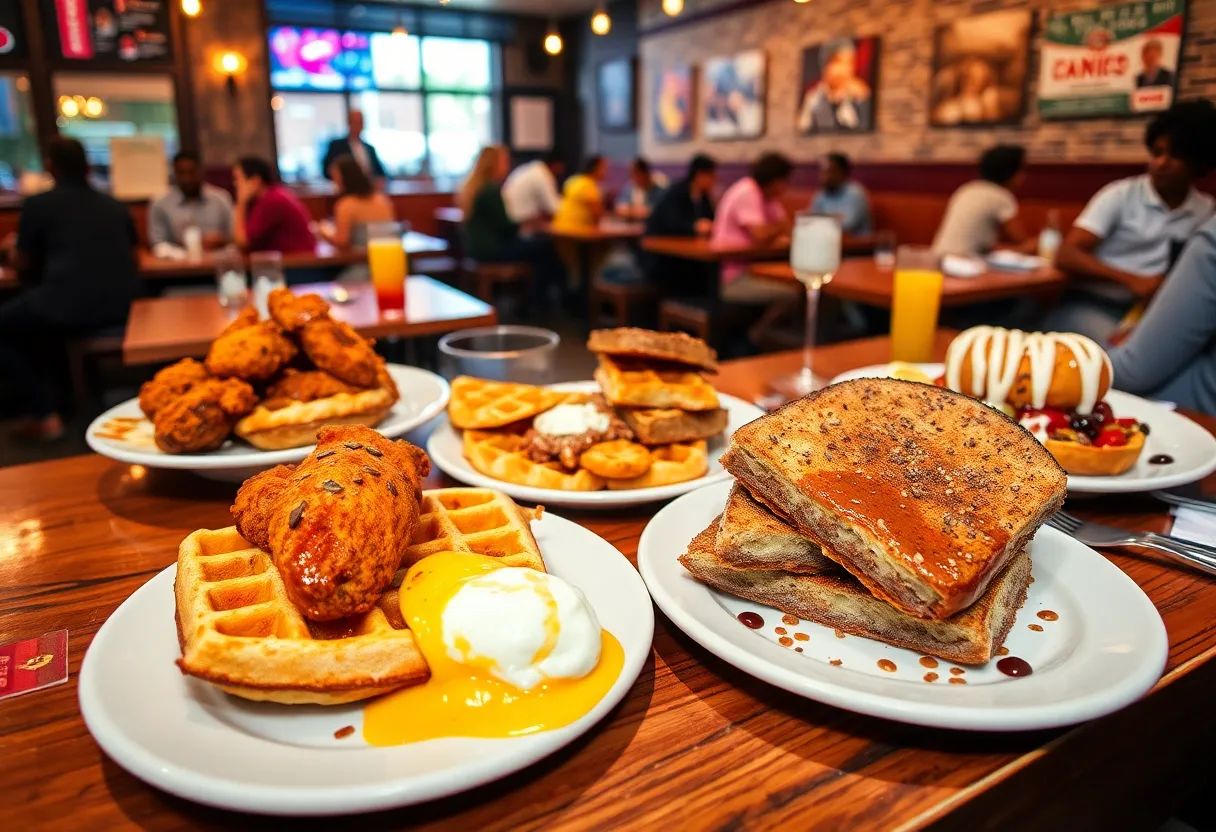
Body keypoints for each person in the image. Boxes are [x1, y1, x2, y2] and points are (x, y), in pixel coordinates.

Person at [2, 138, 139, 440]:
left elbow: (22, 262)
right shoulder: (114, 206)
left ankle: (44, 412)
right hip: (122, 306)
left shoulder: (39, 205)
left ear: (50, 167)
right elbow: (134, 256)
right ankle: (66, 398)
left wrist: (9, 251)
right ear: (88, 167)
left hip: (65, 307)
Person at [1046, 100, 1216, 343]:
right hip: (1090, 304)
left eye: (1175, 155)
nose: (1161, 163)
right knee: (1118, 362)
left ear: (1200, 163)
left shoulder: (1205, 210)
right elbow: (1066, 254)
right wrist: (1131, 280)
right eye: (1157, 152)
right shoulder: (1120, 194)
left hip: (1153, 314)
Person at [1109, 215, 1216, 413]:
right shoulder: (1119, 195)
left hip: (1193, 418)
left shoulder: (1209, 229)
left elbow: (1134, 371)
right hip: (1120, 306)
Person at [459, 145, 565, 301]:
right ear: (495, 164)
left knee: (540, 248)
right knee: (544, 247)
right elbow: (506, 227)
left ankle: (539, 300)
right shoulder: (491, 191)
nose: (507, 166)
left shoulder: (475, 189)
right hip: (493, 250)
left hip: (476, 249)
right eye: (504, 161)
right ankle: (541, 300)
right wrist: (527, 223)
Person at [713, 152, 796, 305]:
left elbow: (787, 228)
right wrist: (780, 230)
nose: (786, 186)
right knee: (796, 292)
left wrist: (780, 230)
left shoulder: (769, 197)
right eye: (785, 181)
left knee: (803, 287)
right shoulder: (748, 191)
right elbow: (762, 234)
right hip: (734, 277)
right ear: (775, 180)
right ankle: (761, 330)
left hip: (758, 269)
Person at [932, 145, 1036, 257]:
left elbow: (987, 246)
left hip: (938, 258)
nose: (1024, 177)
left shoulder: (966, 189)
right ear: (1011, 172)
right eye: (1021, 170)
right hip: (966, 265)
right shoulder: (1001, 196)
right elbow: (1022, 243)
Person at [643, 154, 717, 292]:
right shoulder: (676, 192)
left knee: (707, 271)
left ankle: (701, 307)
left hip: (687, 256)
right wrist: (695, 227)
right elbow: (672, 224)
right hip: (662, 257)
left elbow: (711, 219)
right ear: (700, 175)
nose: (714, 181)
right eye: (712, 176)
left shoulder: (703, 195)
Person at [147, 151, 233, 251]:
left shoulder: (221, 200)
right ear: (174, 174)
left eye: (191, 172)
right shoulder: (160, 204)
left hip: (216, 261)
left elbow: (234, 237)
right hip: (177, 263)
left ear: (201, 171)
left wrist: (221, 239)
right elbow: (157, 243)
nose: (186, 179)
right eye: (181, 173)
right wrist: (183, 245)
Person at [232, 156, 317, 254]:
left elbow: (242, 243)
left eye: (237, 179)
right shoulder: (270, 196)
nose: (235, 184)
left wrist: (241, 203)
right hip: (286, 261)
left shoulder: (273, 201)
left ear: (255, 181)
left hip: (299, 264)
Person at [318, 155, 394, 249]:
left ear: (343, 178)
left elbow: (341, 241)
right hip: (385, 257)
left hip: (359, 260)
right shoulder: (382, 199)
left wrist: (323, 231)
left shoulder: (346, 204)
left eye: (335, 178)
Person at [797, 38, 873, 133]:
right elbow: (803, 128)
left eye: (849, 63)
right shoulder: (813, 98)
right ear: (825, 67)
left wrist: (862, 100)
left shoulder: (860, 96)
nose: (845, 70)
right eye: (839, 63)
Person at [810, 153, 871, 237]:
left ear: (843, 173)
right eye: (822, 172)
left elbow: (848, 225)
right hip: (828, 242)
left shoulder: (855, 194)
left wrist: (820, 224)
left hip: (856, 246)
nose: (824, 177)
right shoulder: (821, 194)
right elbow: (810, 219)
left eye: (830, 171)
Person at [501, 152, 565, 225]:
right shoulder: (542, 174)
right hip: (519, 226)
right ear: (557, 166)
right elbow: (554, 208)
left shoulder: (527, 169)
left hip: (509, 221)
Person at [322, 110, 386, 181]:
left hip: (369, 189)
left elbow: (381, 173)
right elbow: (327, 170)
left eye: (360, 122)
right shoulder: (337, 146)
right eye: (355, 122)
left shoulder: (369, 148)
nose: (358, 125)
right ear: (349, 123)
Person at [552, 155, 608, 232]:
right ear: (595, 168)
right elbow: (597, 215)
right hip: (576, 231)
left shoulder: (573, 180)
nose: (606, 171)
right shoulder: (589, 185)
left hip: (559, 227)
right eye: (604, 168)